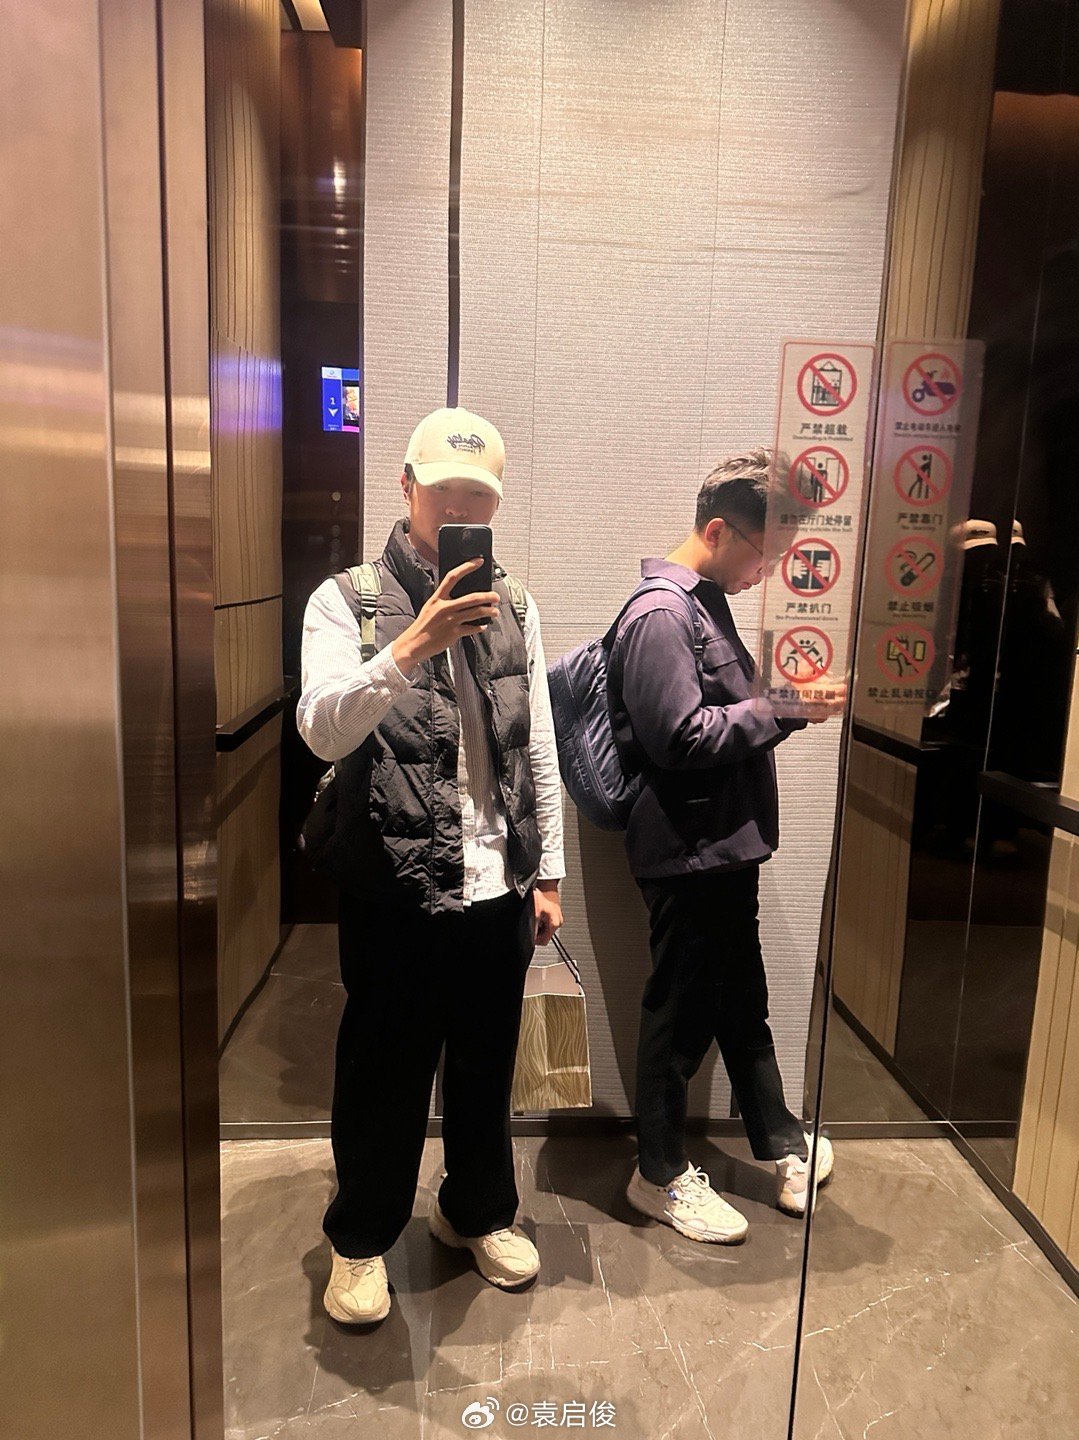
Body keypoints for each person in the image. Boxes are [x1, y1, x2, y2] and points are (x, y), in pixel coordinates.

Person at [296, 406, 565, 1323]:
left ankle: (476, 1211)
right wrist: (413, 646)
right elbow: (321, 728)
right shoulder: (349, 600)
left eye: (477, 498)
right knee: (384, 1072)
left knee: (486, 1067)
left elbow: (538, 748)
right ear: (407, 486)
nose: (459, 509)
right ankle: (361, 1239)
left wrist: (549, 874)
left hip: (497, 882)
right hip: (396, 886)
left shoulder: (517, 605)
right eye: (444, 491)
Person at [605, 448, 840, 1244]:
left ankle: (781, 1142)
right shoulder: (661, 615)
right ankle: (658, 1174)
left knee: (741, 1002)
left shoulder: (700, 605)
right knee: (678, 1015)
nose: (765, 572)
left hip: (719, 848)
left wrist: (781, 705)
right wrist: (786, 707)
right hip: (689, 851)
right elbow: (678, 737)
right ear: (716, 531)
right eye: (763, 554)